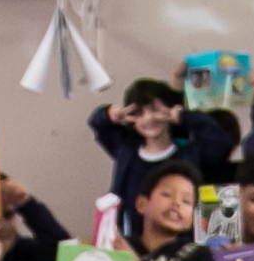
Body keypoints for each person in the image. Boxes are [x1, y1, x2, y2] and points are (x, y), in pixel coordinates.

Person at [89, 73, 239, 198]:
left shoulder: (189, 152)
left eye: (155, 110)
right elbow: (98, 124)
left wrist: (183, 117)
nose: (149, 118)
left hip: (181, 229)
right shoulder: (126, 150)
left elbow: (221, 141)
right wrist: (110, 114)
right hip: (130, 233)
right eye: (139, 112)